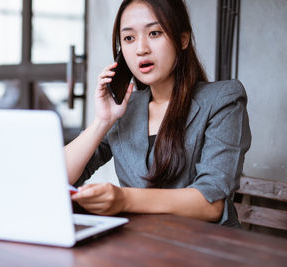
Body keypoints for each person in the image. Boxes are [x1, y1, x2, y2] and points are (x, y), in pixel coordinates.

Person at [65, 0, 251, 227]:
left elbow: (210, 203)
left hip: (204, 250)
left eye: (154, 33)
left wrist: (124, 199)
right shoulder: (125, 109)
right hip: (139, 246)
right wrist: (102, 121)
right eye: (129, 38)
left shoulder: (223, 99)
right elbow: (59, 177)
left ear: (183, 39)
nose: (141, 48)